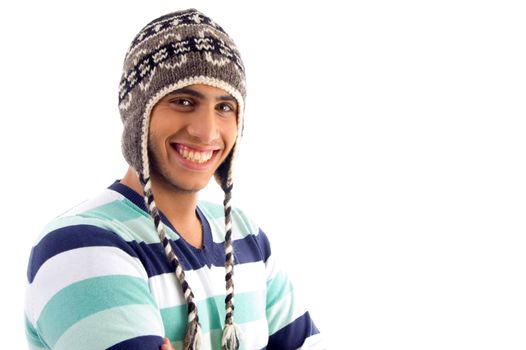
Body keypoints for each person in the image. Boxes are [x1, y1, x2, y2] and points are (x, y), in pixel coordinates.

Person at [24, 8, 323, 350]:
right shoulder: (80, 245)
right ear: (139, 115)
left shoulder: (245, 236)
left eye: (224, 107)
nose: (207, 131)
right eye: (183, 101)